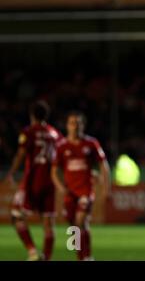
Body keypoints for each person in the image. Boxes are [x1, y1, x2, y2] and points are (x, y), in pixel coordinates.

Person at [4, 100, 61, 261]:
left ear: (31, 115)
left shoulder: (28, 132)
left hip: (32, 180)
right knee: (48, 223)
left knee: (16, 215)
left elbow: (21, 155)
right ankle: (47, 257)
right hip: (50, 181)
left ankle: (32, 251)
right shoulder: (55, 133)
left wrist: (11, 173)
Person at [51, 111, 110, 261]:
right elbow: (53, 171)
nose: (75, 126)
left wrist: (105, 188)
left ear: (83, 125)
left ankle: (87, 257)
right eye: (72, 123)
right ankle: (81, 256)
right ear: (67, 126)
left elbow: (103, 165)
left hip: (86, 191)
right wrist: (60, 188)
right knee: (74, 228)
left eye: (78, 123)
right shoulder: (62, 146)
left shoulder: (91, 143)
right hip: (70, 193)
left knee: (80, 221)